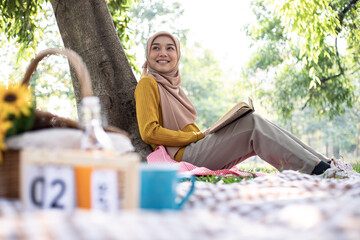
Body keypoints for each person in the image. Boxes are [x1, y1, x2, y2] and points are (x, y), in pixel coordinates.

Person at [134, 31, 332, 175]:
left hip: (194, 148)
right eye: (156, 48)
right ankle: (317, 169)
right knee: (252, 123)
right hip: (186, 154)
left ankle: (323, 162)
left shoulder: (173, 86)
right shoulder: (147, 83)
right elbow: (149, 132)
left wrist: (200, 136)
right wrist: (195, 137)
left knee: (256, 123)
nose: (163, 53)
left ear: (177, 55)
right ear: (148, 55)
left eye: (170, 48)